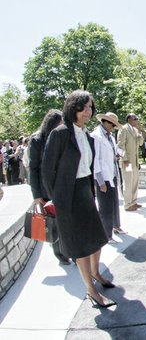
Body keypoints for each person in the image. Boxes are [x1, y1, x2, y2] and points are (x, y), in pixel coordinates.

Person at [42, 90, 116, 308]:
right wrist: (56, 199)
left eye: (90, 107)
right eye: (84, 107)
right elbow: (47, 170)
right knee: (82, 245)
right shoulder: (60, 134)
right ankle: (92, 291)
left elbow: (88, 166)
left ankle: (96, 273)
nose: (88, 112)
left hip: (85, 189)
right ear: (73, 108)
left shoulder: (86, 134)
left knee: (98, 237)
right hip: (68, 195)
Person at [29, 109, 71, 265]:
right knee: (54, 223)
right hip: (46, 188)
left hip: (62, 186)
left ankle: (70, 250)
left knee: (66, 221)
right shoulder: (37, 140)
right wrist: (36, 194)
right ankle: (60, 254)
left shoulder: (61, 137)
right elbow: (33, 168)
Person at [92, 112, 126, 242]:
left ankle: (115, 226)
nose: (113, 127)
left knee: (114, 203)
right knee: (105, 207)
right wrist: (100, 181)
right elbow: (95, 160)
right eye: (112, 124)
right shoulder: (96, 136)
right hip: (103, 176)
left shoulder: (109, 137)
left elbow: (113, 151)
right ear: (105, 122)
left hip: (112, 174)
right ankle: (106, 234)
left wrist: (118, 154)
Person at [117, 113, 144, 211]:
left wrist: (140, 134)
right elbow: (120, 146)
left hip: (135, 162)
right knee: (128, 182)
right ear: (129, 119)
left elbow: (140, 143)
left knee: (134, 182)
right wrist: (124, 159)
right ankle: (127, 204)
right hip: (127, 162)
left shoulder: (136, 130)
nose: (137, 120)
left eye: (137, 118)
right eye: (135, 118)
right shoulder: (124, 129)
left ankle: (133, 201)